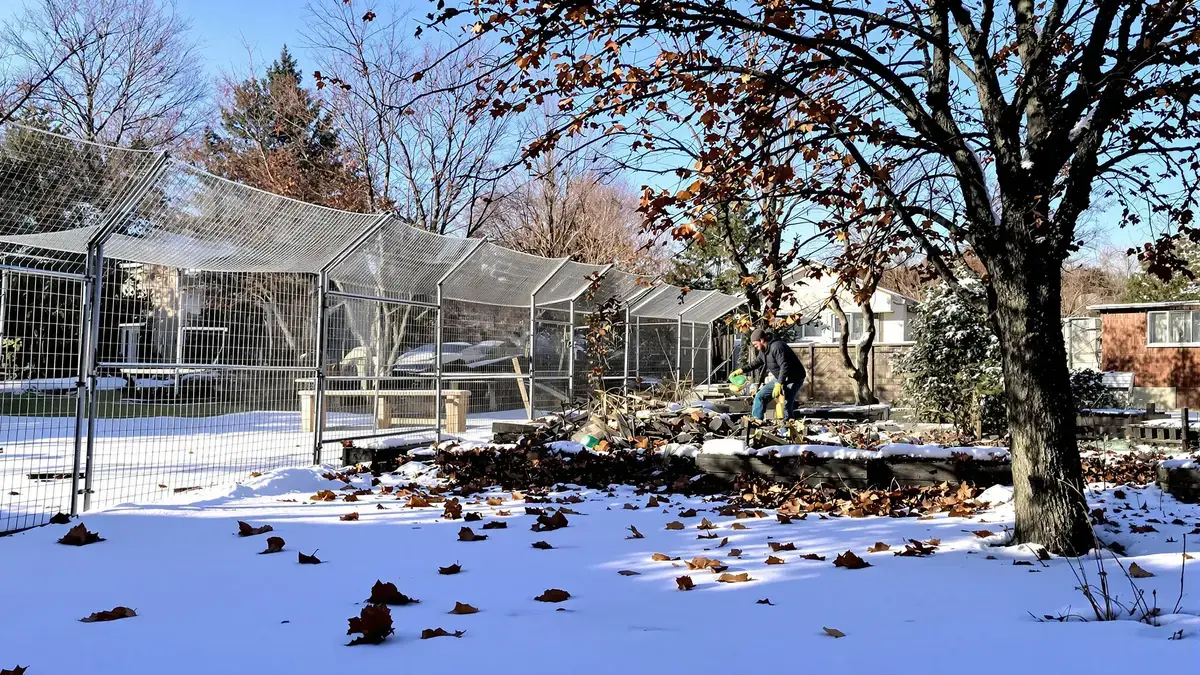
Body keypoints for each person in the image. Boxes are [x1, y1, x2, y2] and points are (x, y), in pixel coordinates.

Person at [732, 328, 806, 421]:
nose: (754, 346)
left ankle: (786, 429)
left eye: (755, 344)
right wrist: (741, 370)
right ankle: (756, 421)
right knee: (760, 396)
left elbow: (784, 366)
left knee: (784, 404)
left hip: (794, 378)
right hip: (780, 378)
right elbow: (756, 363)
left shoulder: (777, 347)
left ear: (762, 340)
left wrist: (779, 383)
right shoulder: (764, 351)